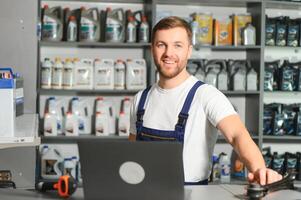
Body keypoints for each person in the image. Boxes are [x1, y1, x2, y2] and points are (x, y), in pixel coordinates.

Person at [128, 16, 282, 185]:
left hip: (192, 194)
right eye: (161, 45)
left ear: (189, 51)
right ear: (152, 49)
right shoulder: (140, 99)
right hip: (144, 191)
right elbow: (132, 153)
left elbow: (237, 135)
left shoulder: (206, 95)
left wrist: (260, 170)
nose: (168, 53)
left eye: (177, 45)